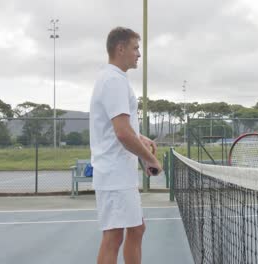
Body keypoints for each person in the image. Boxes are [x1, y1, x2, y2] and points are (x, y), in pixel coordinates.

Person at [89, 27, 162, 264]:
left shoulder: (115, 79)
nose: (139, 54)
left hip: (119, 175)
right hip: (114, 174)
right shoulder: (113, 80)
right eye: (135, 48)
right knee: (113, 238)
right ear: (120, 49)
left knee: (137, 229)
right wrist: (150, 159)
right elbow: (121, 133)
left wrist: (140, 138)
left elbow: (121, 128)